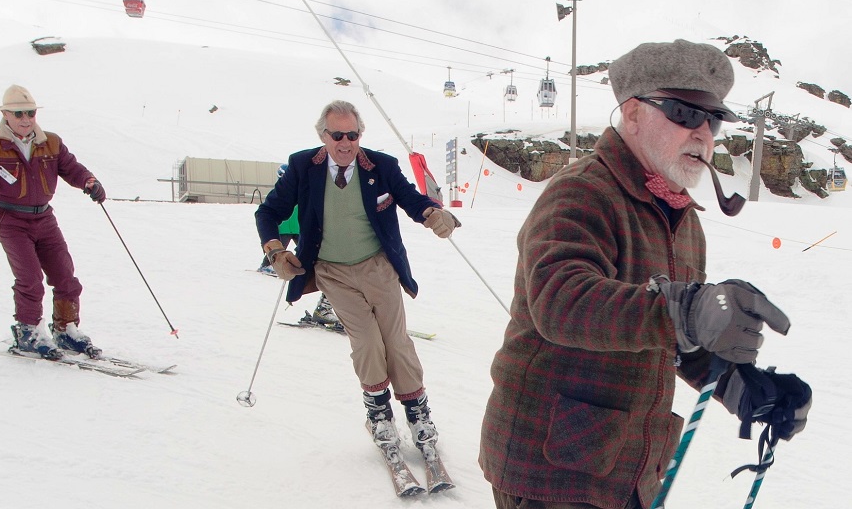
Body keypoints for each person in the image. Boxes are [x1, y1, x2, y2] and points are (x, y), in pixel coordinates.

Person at [479, 40, 812, 509]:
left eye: (712, 120)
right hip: (552, 471)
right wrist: (689, 308)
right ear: (633, 114)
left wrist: (744, 388)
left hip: (627, 467)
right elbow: (560, 302)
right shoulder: (582, 191)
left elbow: (672, 335)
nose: (702, 132)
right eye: (683, 112)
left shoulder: (683, 219)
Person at [255, 100, 460, 453]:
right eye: (337, 135)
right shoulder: (303, 166)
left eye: (352, 134)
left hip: (378, 266)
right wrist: (275, 250)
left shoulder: (380, 166)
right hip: (332, 271)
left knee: (395, 342)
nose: (345, 142)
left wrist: (432, 213)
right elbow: (269, 211)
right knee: (366, 343)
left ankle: (418, 414)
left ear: (360, 135)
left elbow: (410, 198)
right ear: (323, 135)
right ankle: (379, 417)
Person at [0, 84, 107, 361]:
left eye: (30, 113)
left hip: (44, 216)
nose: (25, 119)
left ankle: (65, 330)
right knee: (30, 279)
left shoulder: (50, 142)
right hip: (10, 218)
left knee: (65, 275)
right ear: (5, 114)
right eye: (18, 113)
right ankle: (28, 332)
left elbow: (71, 168)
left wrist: (89, 181)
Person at [257, 164, 342, 327]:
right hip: (285, 229)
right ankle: (267, 265)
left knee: (324, 266)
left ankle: (328, 307)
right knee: (289, 256)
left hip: (302, 231)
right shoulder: (283, 192)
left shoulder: (303, 190)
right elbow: (268, 213)